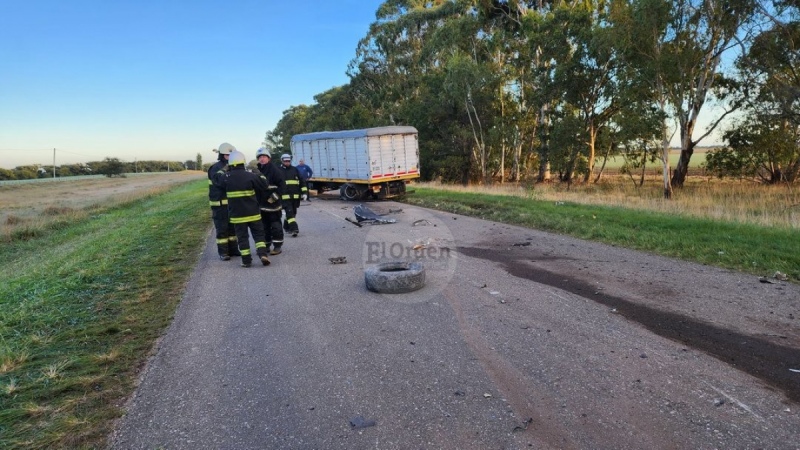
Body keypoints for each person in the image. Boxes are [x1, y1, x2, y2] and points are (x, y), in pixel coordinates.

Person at [224, 150, 271, 268]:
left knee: (242, 238)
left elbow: (216, 182)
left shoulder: (226, 177)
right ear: (243, 162)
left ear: (230, 163)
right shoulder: (251, 176)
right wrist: (259, 173)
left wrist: (222, 170)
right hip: (253, 213)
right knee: (259, 236)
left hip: (237, 216)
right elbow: (265, 185)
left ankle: (246, 261)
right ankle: (262, 254)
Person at [208, 143, 240, 261]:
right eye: (227, 155)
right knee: (222, 228)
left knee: (233, 228)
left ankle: (234, 249)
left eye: (231, 155)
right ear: (222, 155)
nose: (229, 157)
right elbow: (218, 182)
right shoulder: (216, 168)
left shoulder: (233, 166)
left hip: (231, 203)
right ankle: (223, 252)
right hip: (219, 204)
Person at [255, 147, 285, 255]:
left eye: (264, 157)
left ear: (269, 158)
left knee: (275, 225)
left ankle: (277, 246)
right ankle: (266, 245)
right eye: (260, 157)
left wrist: (274, 197)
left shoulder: (275, 170)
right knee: (264, 226)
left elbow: (282, 186)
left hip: (273, 204)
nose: (262, 159)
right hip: (262, 204)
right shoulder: (258, 170)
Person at [278, 153, 307, 237]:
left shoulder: (295, 169)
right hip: (284, 197)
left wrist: (304, 193)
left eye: (288, 161)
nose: (287, 162)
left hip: (295, 197)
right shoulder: (278, 170)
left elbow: (302, 181)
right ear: (282, 161)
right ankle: (294, 229)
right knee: (290, 213)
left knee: (293, 213)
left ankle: (286, 226)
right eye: (285, 161)